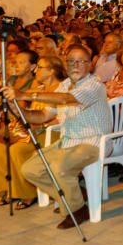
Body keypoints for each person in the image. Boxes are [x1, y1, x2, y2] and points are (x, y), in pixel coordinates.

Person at [11, 45, 112, 228]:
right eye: (71, 61)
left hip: (94, 141)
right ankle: (76, 199)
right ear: (66, 65)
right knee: (30, 169)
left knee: (60, 168)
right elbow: (42, 117)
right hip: (68, 141)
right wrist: (17, 110)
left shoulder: (94, 85)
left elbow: (66, 99)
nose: (76, 65)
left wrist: (23, 94)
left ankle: (77, 208)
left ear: (90, 65)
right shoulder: (63, 86)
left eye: (81, 61)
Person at [0, 55, 67, 208]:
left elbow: (61, 118)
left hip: (52, 132)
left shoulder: (62, 89)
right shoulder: (39, 89)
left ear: (51, 71)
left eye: (40, 67)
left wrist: (42, 126)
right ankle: (6, 189)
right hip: (34, 129)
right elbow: (27, 110)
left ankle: (27, 193)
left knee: (17, 150)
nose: (36, 70)